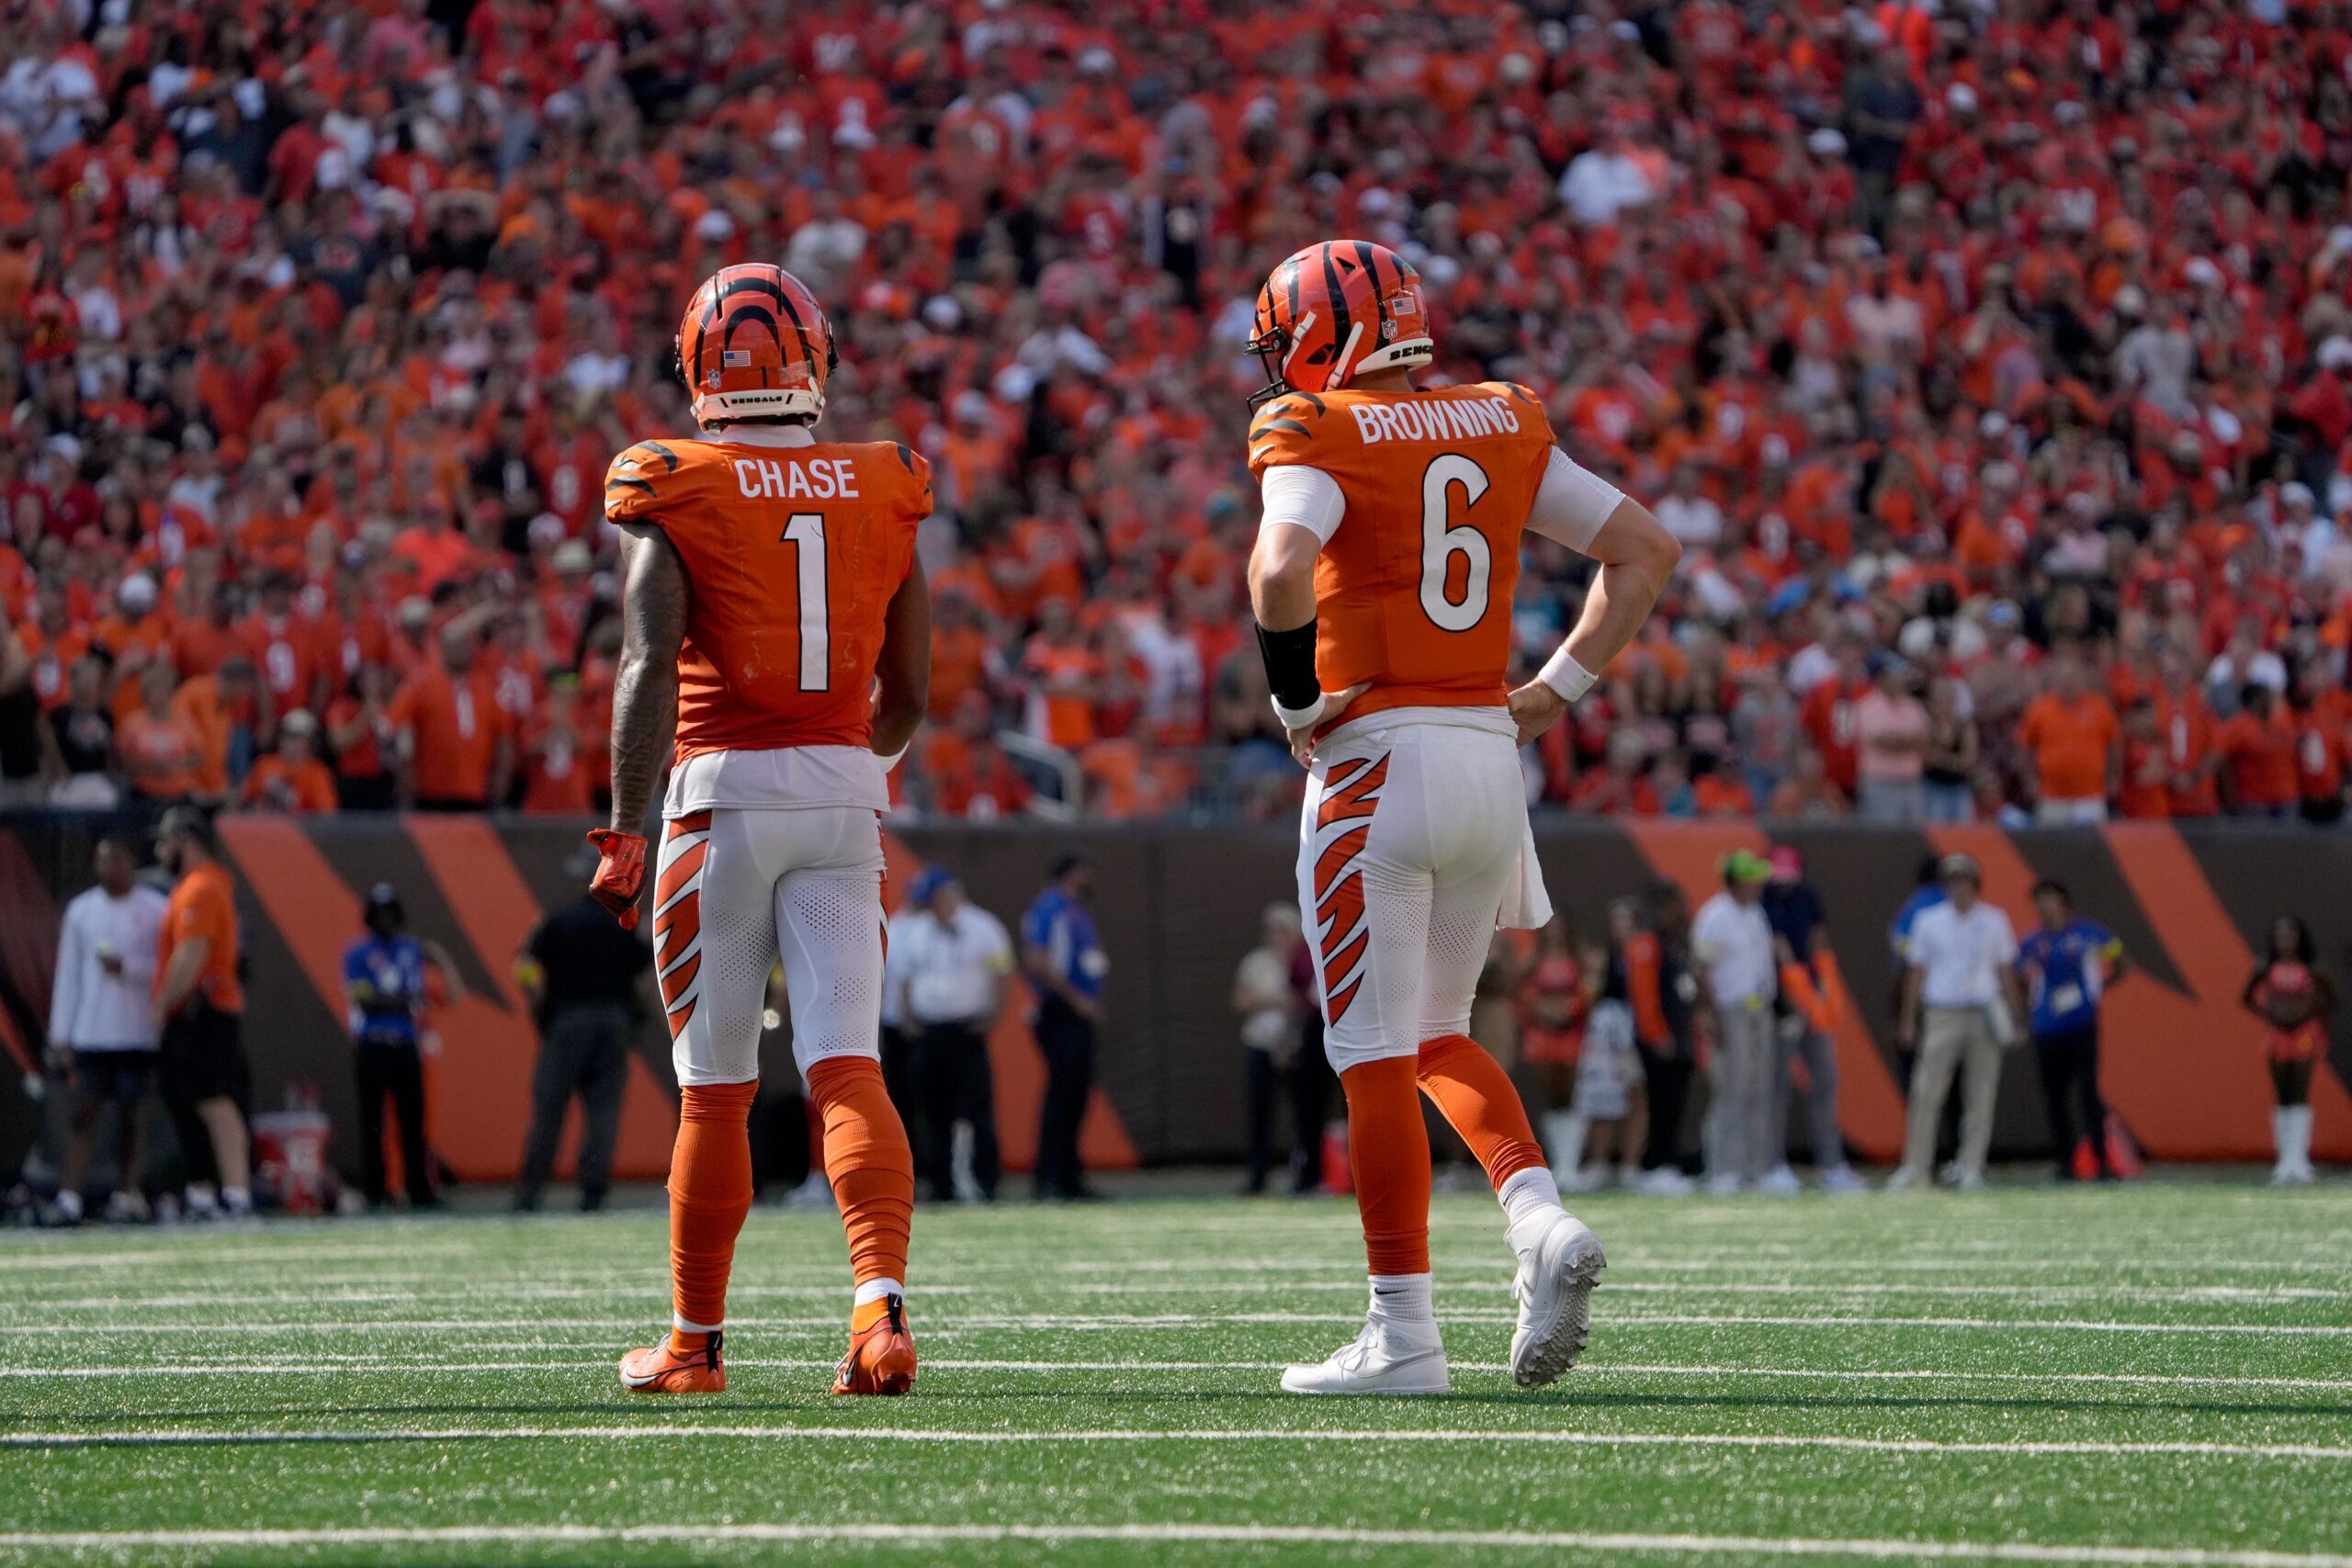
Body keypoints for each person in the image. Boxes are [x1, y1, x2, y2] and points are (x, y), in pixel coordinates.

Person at [1241, 240, 1678, 1393]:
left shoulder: (1314, 430)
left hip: (1377, 763)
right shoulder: (1499, 418)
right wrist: (1556, 692)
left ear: (1322, 337)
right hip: (1491, 758)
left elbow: (1279, 569)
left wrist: (1293, 698)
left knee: (1374, 1057)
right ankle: (1536, 1218)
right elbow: (1643, 551)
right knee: (1436, 1032)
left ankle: (1404, 1336)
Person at [584, 265, 933, 1397]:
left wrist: (623, 827)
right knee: (846, 1067)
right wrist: (842, 764)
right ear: (815, 361)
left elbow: (645, 662)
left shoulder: (673, 479)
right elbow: (912, 691)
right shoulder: (885, 478)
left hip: (721, 796)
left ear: (696, 367)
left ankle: (695, 1344)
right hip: (843, 793)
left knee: (718, 1085)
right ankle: (877, 1313)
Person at [514, 860, 655, 1213]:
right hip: (614, 1020)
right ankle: (593, 1194)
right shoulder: (624, 923)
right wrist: (636, 1014)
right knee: (603, 1112)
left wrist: (539, 1003)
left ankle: (530, 1194)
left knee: (549, 1108)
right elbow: (645, 976)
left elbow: (525, 967)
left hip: (569, 1019)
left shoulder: (558, 920)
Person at [41, 834, 167, 1224]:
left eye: (117, 859)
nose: (110, 867)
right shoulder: (81, 911)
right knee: (83, 1117)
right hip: (92, 1034)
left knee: (134, 1119)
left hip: (138, 1034)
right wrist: (61, 1035)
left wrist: (128, 969)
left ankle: (127, 1195)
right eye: (103, 860)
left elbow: (167, 969)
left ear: (131, 862)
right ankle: (70, 1198)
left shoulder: (156, 909)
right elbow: (69, 977)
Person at [1890, 854, 2026, 1191]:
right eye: (1953, 881)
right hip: (1943, 1012)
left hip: (1983, 1011)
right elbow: (1916, 973)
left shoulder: (1995, 920)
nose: (1959, 887)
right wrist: (1909, 1019)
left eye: (1964, 880)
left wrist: (2016, 1016)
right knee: (1927, 1090)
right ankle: (1915, 1165)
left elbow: (2005, 971)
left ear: (1976, 884)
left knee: (1980, 1091)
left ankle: (1971, 1165)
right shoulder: (1929, 920)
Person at [887, 865, 1012, 1203]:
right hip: (929, 1032)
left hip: (966, 1029)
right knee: (933, 1110)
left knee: (975, 1108)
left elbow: (1002, 974)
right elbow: (905, 979)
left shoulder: (983, 928)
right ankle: (941, 1184)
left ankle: (985, 1181)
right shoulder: (918, 930)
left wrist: (993, 1016)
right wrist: (910, 1018)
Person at [153, 805, 254, 1220]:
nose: (159, 851)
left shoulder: (200, 888)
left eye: (165, 842)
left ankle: (235, 1194)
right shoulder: (199, 886)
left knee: (214, 1101)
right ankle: (205, 1193)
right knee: (188, 1101)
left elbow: (192, 953)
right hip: (199, 1011)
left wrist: (161, 1006)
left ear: (185, 841)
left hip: (203, 1010)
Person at [339, 885, 462, 1209]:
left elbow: (445, 996)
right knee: (373, 1123)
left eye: (391, 913)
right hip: (373, 1045)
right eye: (380, 913)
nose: (386, 920)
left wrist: (438, 961)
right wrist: (404, 1002)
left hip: (407, 1046)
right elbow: (363, 999)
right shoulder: (357, 953)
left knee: (412, 1122)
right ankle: (376, 1191)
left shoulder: (411, 950)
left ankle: (418, 1189)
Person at [1761, 845, 1863, 1193]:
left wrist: (1823, 985)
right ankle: (1772, 1164)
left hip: (1812, 1002)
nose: (1785, 885)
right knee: (1777, 1087)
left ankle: (1832, 1165)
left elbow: (1819, 936)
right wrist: (1794, 992)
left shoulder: (1808, 894)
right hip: (1779, 1004)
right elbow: (1777, 947)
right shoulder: (1764, 899)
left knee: (1826, 1080)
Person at [2016, 880, 2125, 1182]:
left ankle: (2102, 1161)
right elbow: (2017, 975)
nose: (2043, 907)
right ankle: (2064, 1162)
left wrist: (2097, 991)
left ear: (2064, 902)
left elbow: (2120, 960)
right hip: (2046, 1027)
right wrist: (2027, 1009)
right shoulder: (2030, 941)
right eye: (2038, 901)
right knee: (2055, 1097)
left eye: (2049, 899)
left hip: (2081, 1024)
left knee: (2088, 1093)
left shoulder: (2088, 933)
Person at [1691, 850, 1781, 1195]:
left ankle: (1755, 1168)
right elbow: (1702, 972)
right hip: (1730, 1010)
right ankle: (1723, 1168)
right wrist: (1712, 1016)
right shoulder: (1714, 916)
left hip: (1760, 1009)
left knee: (1759, 1089)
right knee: (1731, 1089)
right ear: (1737, 880)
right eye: (1752, 877)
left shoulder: (1755, 912)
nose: (1759, 883)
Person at [1021, 852, 1108, 1201]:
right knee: (1062, 1093)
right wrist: (1076, 999)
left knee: (1074, 1095)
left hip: (1075, 1011)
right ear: (1073, 872)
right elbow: (1037, 960)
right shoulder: (1051, 907)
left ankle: (1068, 1175)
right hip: (1060, 1012)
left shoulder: (1074, 908)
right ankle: (1051, 1176)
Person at [2243, 917, 2333, 1186]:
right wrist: (2270, 1013)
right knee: (2282, 1095)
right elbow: (2246, 997)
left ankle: (2300, 1161)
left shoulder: (2314, 967)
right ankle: (2284, 1162)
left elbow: (2332, 998)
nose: (2285, 942)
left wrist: (2308, 1012)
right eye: (2279, 937)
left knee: (2300, 1093)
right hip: (2277, 1034)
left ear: (2300, 939)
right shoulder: (2265, 966)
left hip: (2305, 1033)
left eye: (2290, 936)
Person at [1233, 902, 1315, 1196]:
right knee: (1260, 1112)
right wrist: (1273, 1001)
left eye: (1282, 930)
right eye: (1271, 930)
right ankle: (1257, 1177)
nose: (1275, 936)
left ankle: (1302, 1174)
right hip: (1261, 1043)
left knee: (1302, 1114)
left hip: (1294, 1047)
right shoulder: (1256, 962)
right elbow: (1242, 1001)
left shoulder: (1304, 962)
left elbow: (1305, 1002)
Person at [1566, 942, 1645, 1191]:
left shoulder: (1615, 1009)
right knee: (1599, 1115)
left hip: (1615, 1065)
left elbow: (1624, 1045)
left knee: (1628, 1107)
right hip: (1593, 1068)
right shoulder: (1583, 1003)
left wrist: (1629, 1070)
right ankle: (1595, 1164)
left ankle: (1629, 1166)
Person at [1516, 917, 1589, 1187]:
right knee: (1550, 1094)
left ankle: (1571, 1163)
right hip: (1542, 1034)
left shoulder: (1578, 957)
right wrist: (1542, 1011)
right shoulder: (1533, 958)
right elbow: (1520, 992)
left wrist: (1569, 1010)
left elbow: (1588, 989)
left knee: (1569, 1092)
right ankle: (1557, 1161)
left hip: (1570, 1032)